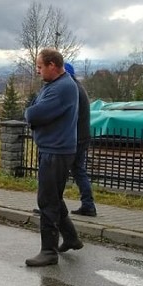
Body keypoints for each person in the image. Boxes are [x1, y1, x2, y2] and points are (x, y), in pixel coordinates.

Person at [24, 48, 82, 267]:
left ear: (52, 65)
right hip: (54, 148)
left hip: (56, 150)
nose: (38, 71)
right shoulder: (55, 85)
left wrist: (31, 113)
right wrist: (32, 112)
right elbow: (35, 110)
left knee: (47, 200)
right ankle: (71, 237)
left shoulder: (62, 88)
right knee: (54, 198)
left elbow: (34, 113)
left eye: (40, 67)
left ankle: (49, 251)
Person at [64, 62, 97, 217]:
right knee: (78, 171)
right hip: (82, 136)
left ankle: (52, 204)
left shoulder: (72, 89)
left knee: (61, 172)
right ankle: (88, 204)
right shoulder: (78, 87)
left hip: (75, 138)